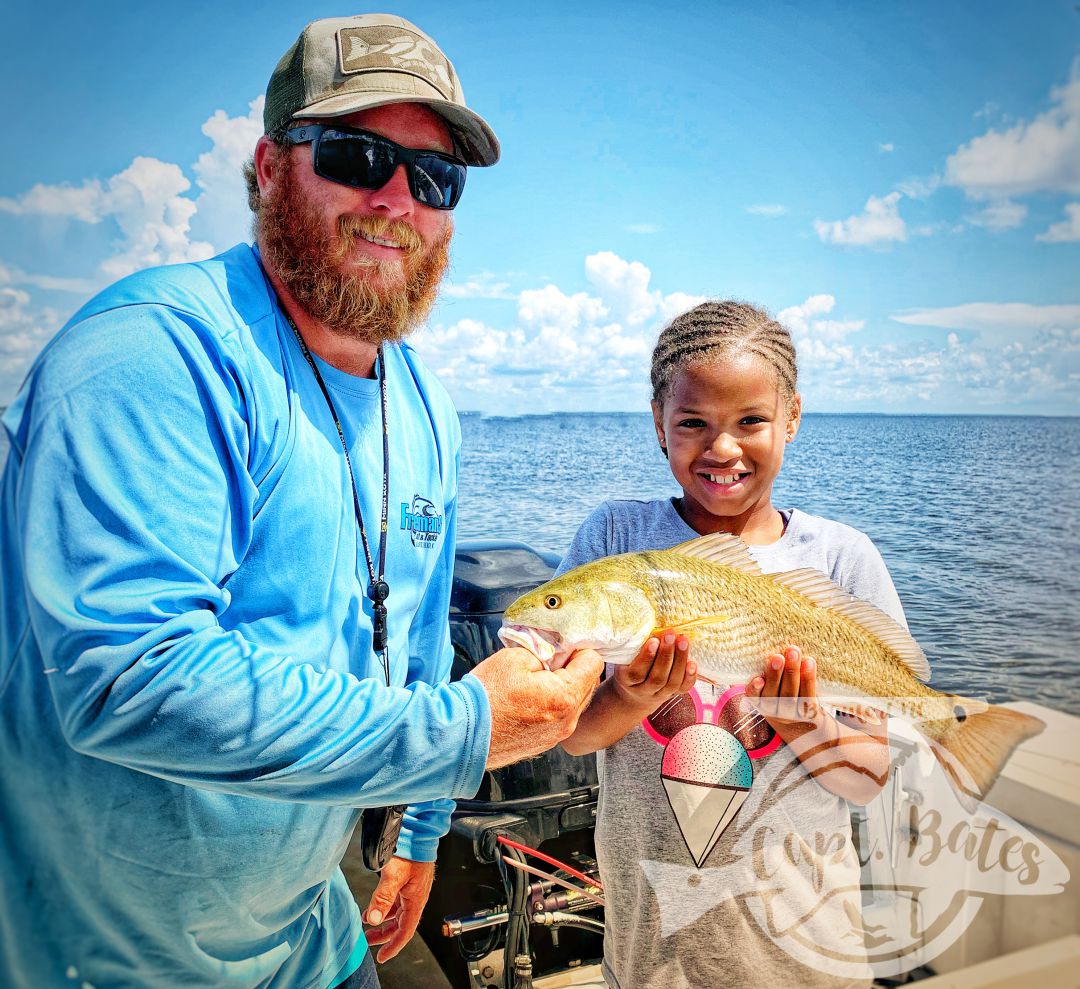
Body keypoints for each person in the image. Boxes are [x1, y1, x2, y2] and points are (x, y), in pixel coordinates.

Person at [0, 14, 602, 989]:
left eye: (435, 175)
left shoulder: (427, 410)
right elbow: (127, 679)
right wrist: (465, 736)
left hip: (309, 939)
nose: (399, 199)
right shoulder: (149, 357)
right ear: (270, 168)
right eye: (359, 155)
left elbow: (409, 649)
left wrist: (417, 825)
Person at [559, 301, 906, 989]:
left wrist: (803, 721)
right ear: (659, 424)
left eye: (751, 420)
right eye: (693, 423)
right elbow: (575, 735)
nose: (722, 448)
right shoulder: (615, 541)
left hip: (808, 956)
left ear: (793, 418)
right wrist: (629, 693)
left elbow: (867, 778)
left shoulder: (843, 559)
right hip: (652, 951)